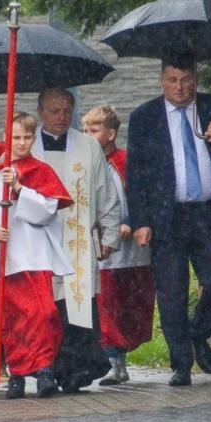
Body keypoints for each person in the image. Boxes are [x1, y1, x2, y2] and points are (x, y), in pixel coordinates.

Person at [125, 51, 211, 386]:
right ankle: (181, 363)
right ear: (161, 81)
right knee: (172, 292)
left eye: (186, 80)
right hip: (167, 216)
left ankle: (198, 332)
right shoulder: (144, 118)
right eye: (172, 81)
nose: (179, 87)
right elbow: (135, 174)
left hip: (210, 212)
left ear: (195, 80)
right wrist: (141, 221)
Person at [0, 113, 72, 399]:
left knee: (42, 314)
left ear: (33, 138)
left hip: (35, 255)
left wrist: (18, 189)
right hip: (7, 257)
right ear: (6, 137)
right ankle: (17, 373)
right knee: (13, 319)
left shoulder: (41, 171)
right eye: (16, 137)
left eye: (27, 137)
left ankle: (44, 369)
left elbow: (46, 210)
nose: (21, 143)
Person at [33, 87, 122, 391]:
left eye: (66, 111)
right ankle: (46, 368)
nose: (61, 117)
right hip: (40, 240)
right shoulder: (27, 145)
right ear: (40, 113)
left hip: (77, 238)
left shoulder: (89, 146)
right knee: (46, 309)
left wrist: (110, 233)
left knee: (78, 310)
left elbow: (105, 193)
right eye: (54, 111)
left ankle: (76, 372)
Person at [83, 104, 156, 384]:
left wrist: (131, 222)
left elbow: (139, 197)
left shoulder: (126, 162)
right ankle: (112, 359)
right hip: (102, 250)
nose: (88, 135)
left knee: (131, 305)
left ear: (111, 134)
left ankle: (122, 355)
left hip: (132, 252)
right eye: (85, 130)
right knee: (107, 305)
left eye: (94, 130)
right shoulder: (84, 165)